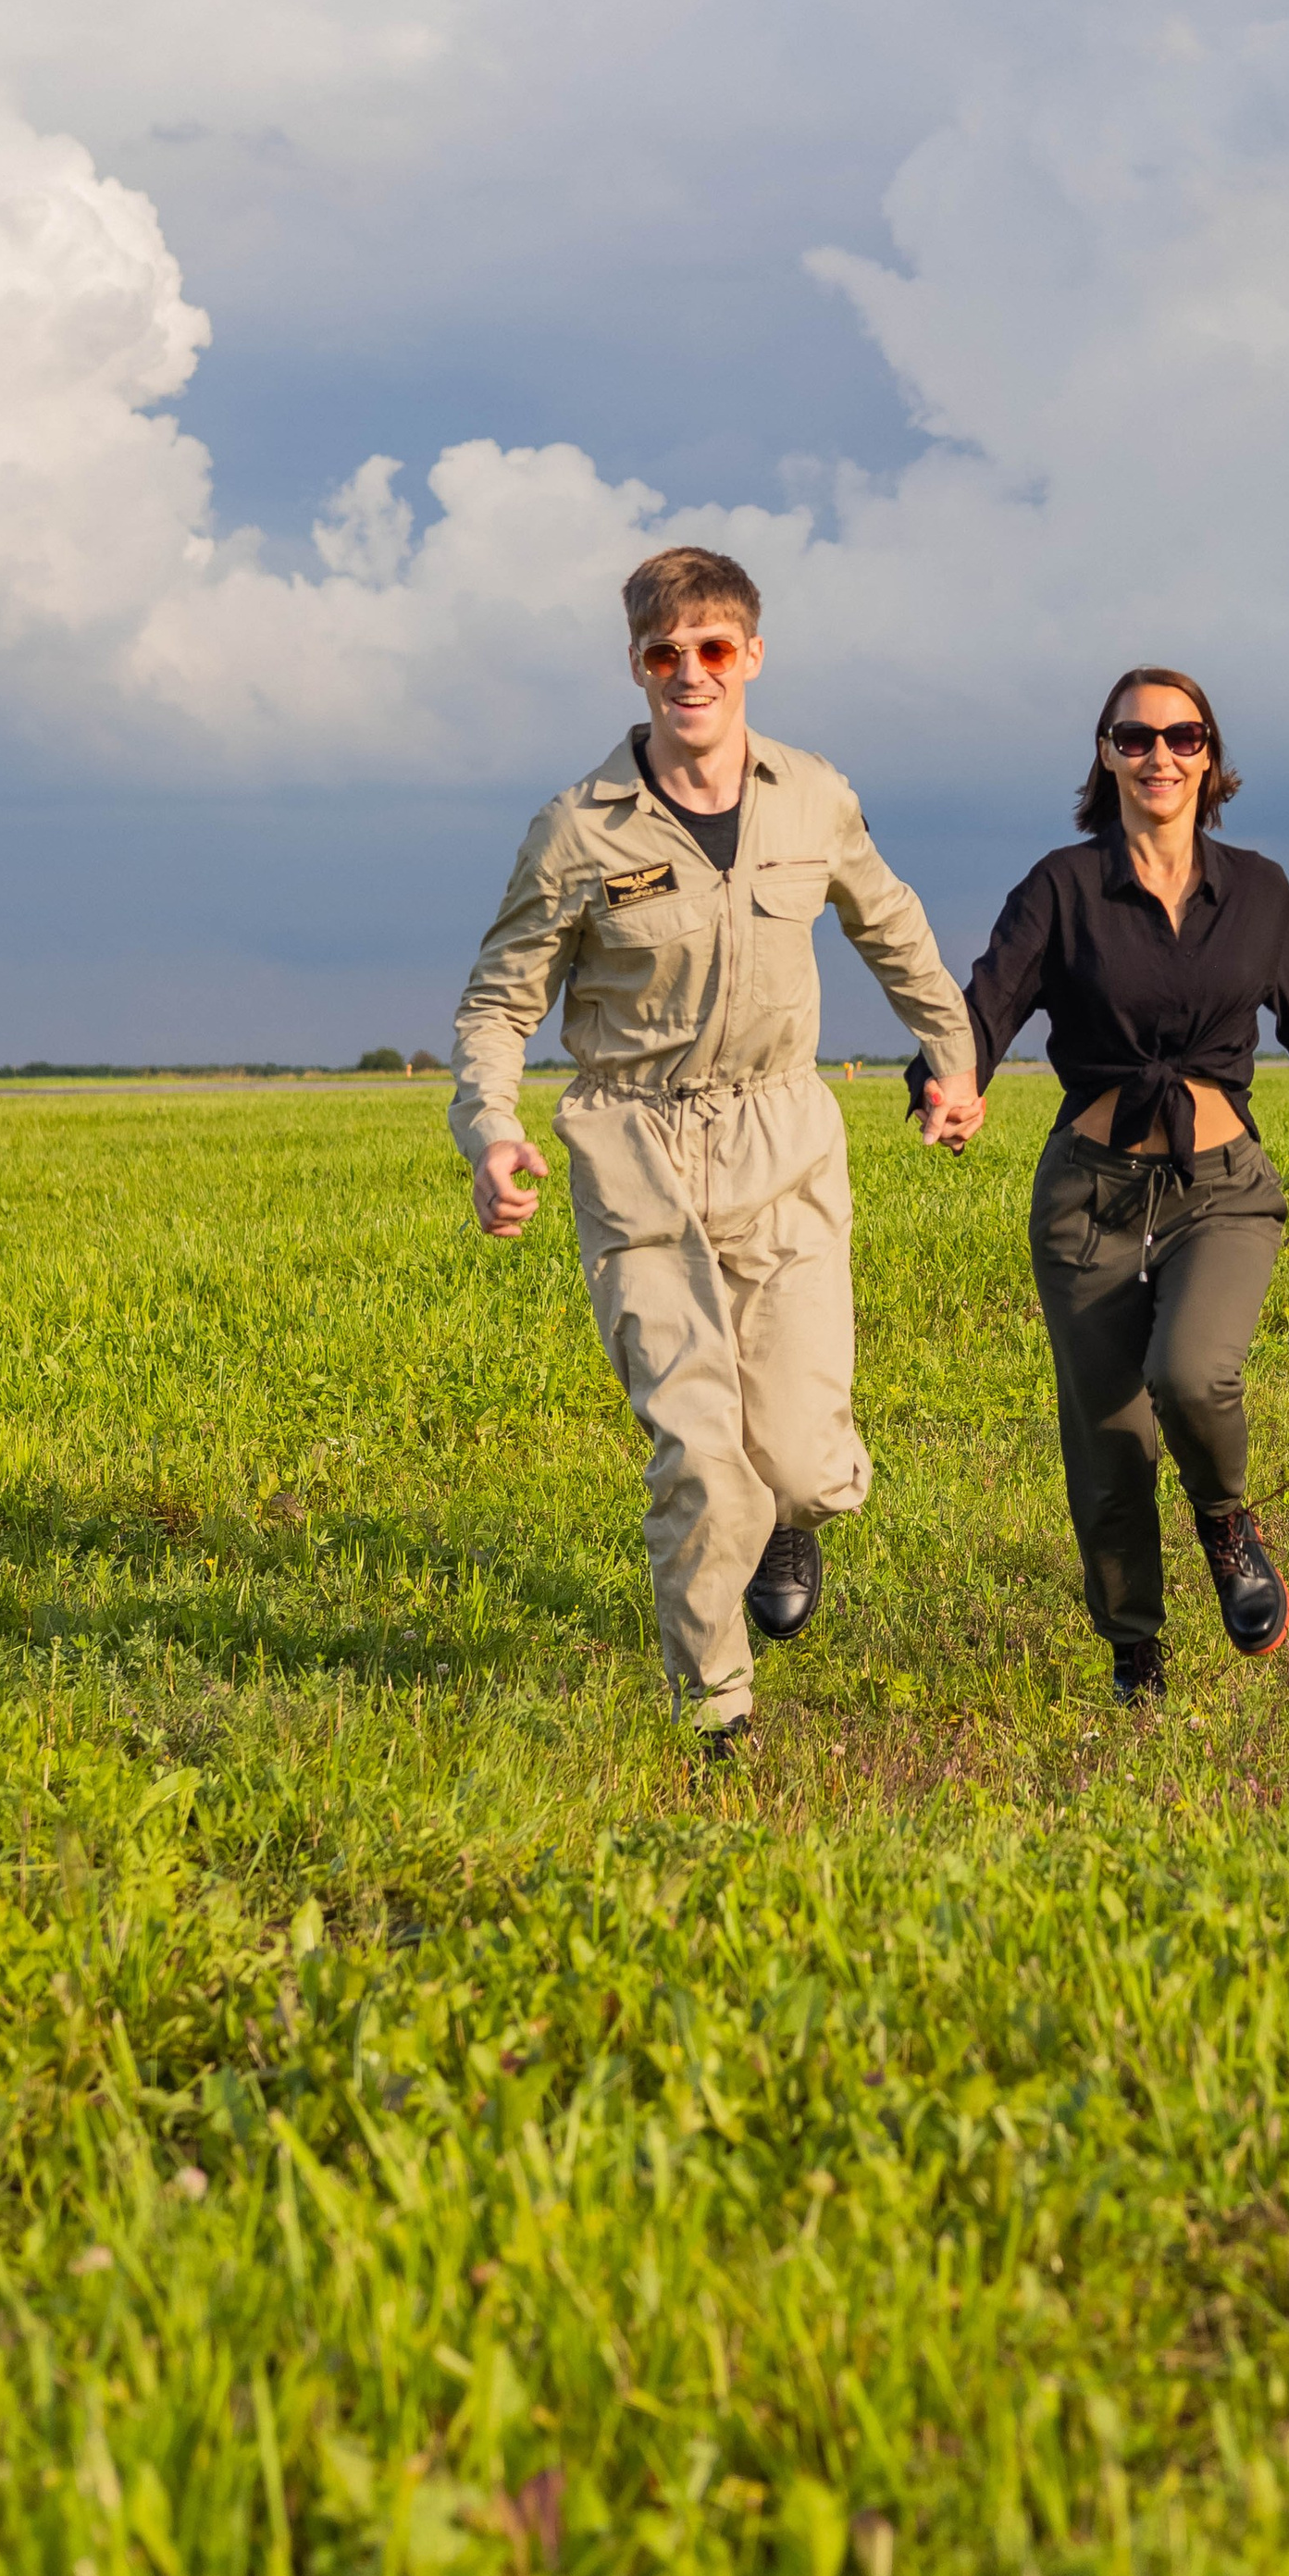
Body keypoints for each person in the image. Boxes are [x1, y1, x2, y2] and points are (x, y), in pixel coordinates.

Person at [448, 547, 983, 1755]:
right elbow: (498, 1000)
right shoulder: (576, 831)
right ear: (635, 665)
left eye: (714, 650)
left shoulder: (812, 794)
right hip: (637, 1152)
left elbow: (888, 921)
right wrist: (492, 1127)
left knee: (793, 1454)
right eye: (663, 654)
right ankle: (720, 1714)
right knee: (700, 1454)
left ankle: (790, 1508)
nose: (690, 673)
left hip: (784, 1138)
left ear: (751, 655)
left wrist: (951, 1052)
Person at [914, 667, 1289, 1706]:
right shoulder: (1060, 887)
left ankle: (1226, 1521)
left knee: (1192, 1377)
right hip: (1088, 1196)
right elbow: (987, 1002)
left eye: (1182, 739)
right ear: (1104, 754)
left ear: (1210, 758)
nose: (1160, 758)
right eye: (1134, 739)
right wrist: (948, 1085)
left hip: (1220, 1185)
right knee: (1108, 1443)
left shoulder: (1259, 890)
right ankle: (1134, 1650)